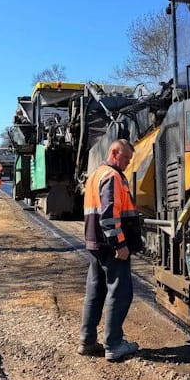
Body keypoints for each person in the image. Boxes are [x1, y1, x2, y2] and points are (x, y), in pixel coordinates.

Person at [79, 139, 143, 361]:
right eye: (125, 158)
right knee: (120, 291)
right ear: (114, 153)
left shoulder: (96, 174)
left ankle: (87, 341)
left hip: (95, 242)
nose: (127, 163)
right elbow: (108, 215)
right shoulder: (112, 176)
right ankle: (114, 344)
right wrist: (120, 244)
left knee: (95, 292)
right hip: (110, 245)